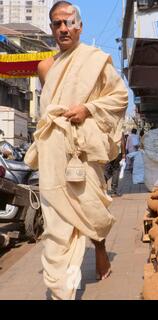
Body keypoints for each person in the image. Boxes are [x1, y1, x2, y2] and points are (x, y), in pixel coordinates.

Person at [25, 1, 128, 300]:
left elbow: (119, 97)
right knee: (56, 222)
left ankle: (99, 247)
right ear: (51, 28)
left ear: (80, 26)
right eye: (57, 23)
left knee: (91, 207)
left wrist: (88, 108)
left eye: (68, 22)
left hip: (83, 152)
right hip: (52, 152)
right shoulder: (45, 67)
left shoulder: (97, 60)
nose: (63, 28)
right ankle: (61, 289)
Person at [104, 133, 126, 197]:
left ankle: (103, 188)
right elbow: (122, 142)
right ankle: (113, 190)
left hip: (108, 152)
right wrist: (123, 153)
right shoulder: (119, 131)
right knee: (115, 170)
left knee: (107, 169)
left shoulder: (107, 131)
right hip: (117, 152)